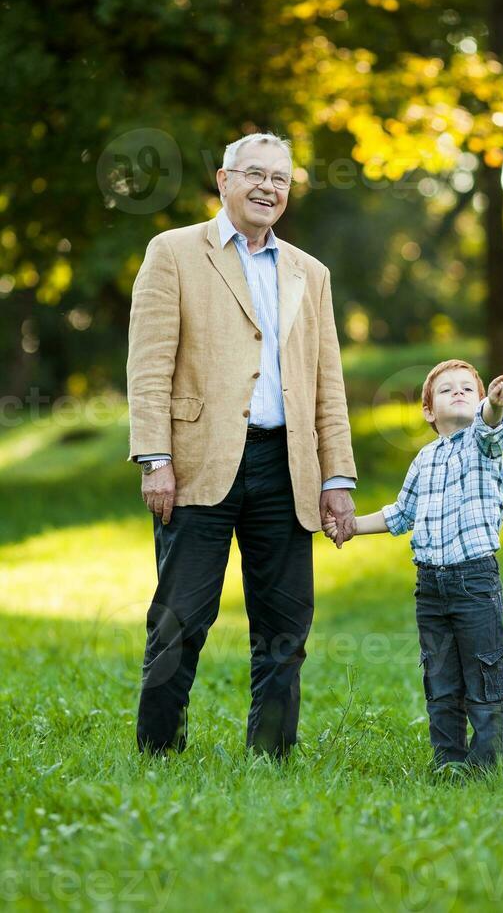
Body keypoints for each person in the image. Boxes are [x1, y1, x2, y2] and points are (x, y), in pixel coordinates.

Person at [126, 132, 357, 758]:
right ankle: (157, 752)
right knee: (181, 618)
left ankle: (271, 756)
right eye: (254, 174)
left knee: (286, 627)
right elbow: (149, 367)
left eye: (280, 179)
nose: (267, 187)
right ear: (223, 182)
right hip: (199, 463)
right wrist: (156, 458)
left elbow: (327, 384)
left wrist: (337, 478)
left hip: (289, 467)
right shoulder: (172, 252)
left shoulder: (311, 273)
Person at [324, 359, 503, 770]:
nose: (459, 393)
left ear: (481, 400)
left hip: (475, 581)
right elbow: (401, 513)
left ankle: (487, 768)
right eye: (447, 390)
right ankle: (448, 762)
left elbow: (492, 425)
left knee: (484, 674)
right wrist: (351, 526)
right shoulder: (424, 459)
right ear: (429, 411)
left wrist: (496, 405)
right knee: (441, 679)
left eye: (468, 388)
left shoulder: (483, 444)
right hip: (430, 587)